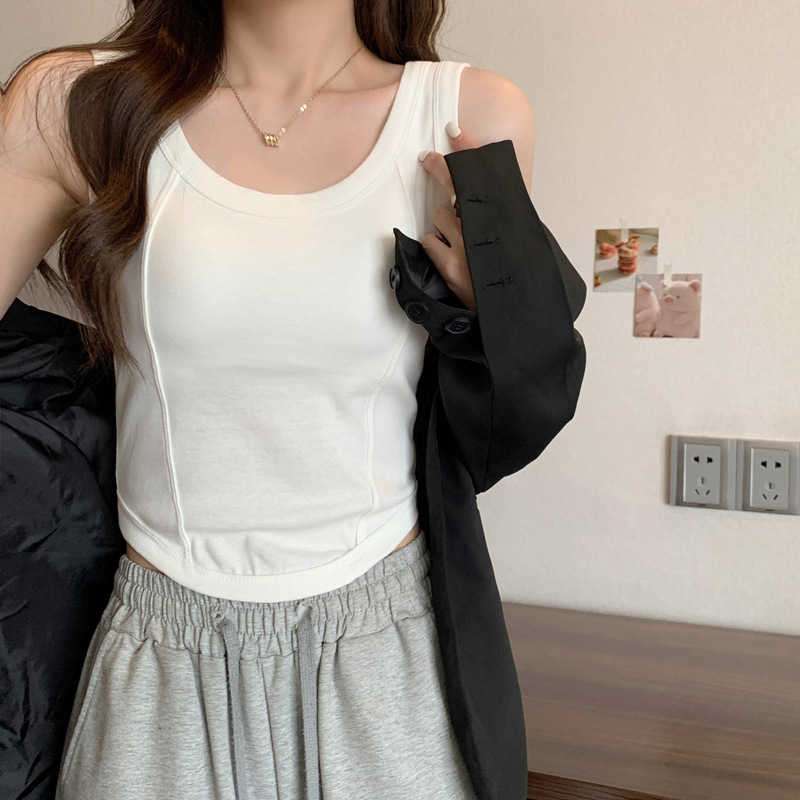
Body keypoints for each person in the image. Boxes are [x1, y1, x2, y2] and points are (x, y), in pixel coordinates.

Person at [0, 1, 543, 798]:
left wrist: (485, 317)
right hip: (162, 654)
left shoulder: (467, 116)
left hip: (384, 654)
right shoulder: (75, 106)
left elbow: (509, 414)